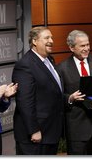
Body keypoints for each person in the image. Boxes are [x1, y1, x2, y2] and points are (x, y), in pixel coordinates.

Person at [57, 30, 92, 155]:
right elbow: (57, 96)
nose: (87, 48)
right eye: (82, 46)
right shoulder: (62, 68)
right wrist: (70, 98)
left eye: (88, 45)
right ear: (72, 47)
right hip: (77, 129)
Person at [12, 26, 64, 155]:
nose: (51, 40)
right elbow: (25, 101)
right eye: (47, 38)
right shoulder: (25, 65)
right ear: (34, 41)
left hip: (51, 132)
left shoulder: (49, 60)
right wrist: (33, 130)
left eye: (51, 37)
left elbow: (53, 92)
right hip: (35, 135)